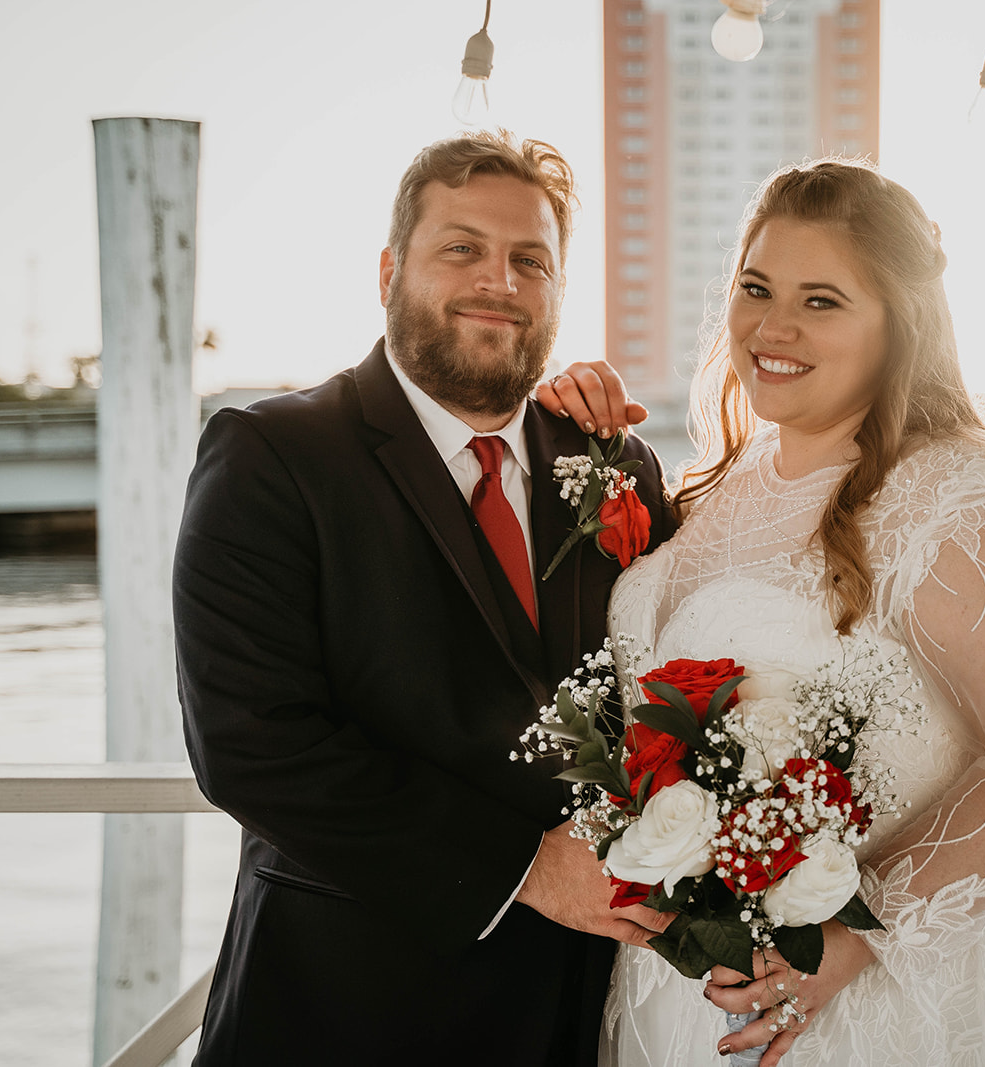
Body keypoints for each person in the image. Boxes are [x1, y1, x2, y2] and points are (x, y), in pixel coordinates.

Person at [545, 159, 985, 1066]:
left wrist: (860, 933)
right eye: (756, 288)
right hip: (690, 996)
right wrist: (565, 426)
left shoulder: (957, 494)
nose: (773, 325)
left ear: (900, 325)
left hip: (891, 1002)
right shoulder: (721, 484)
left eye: (822, 300)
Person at [173, 130, 676, 1065]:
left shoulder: (616, 464)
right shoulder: (272, 455)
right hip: (342, 1010)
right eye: (463, 248)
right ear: (389, 269)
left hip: (579, 1013)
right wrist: (526, 869)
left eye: (532, 259)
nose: (500, 279)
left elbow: (680, 685)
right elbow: (251, 744)